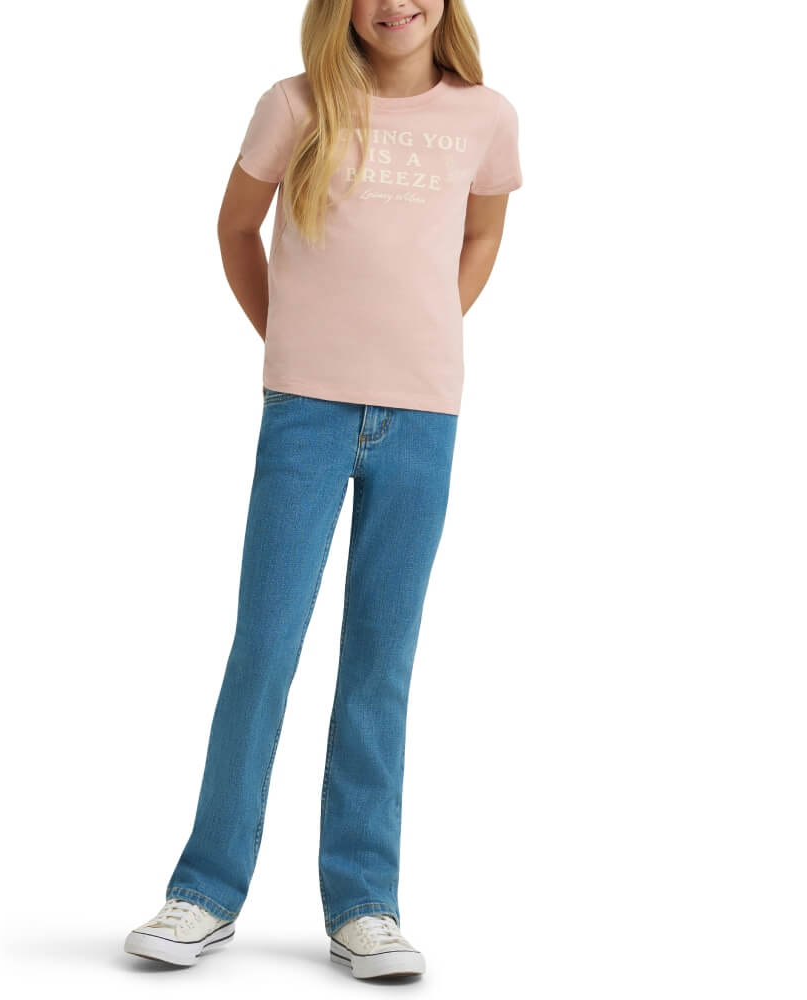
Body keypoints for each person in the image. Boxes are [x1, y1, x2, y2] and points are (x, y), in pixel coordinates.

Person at [123, 0, 522, 980]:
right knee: (264, 647)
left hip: (422, 415)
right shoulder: (295, 105)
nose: (394, 4)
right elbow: (234, 228)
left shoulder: (486, 116)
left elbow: (479, 238)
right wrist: (290, 338)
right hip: (304, 411)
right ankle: (204, 889)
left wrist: (426, 327)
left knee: (381, 661)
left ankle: (364, 904)